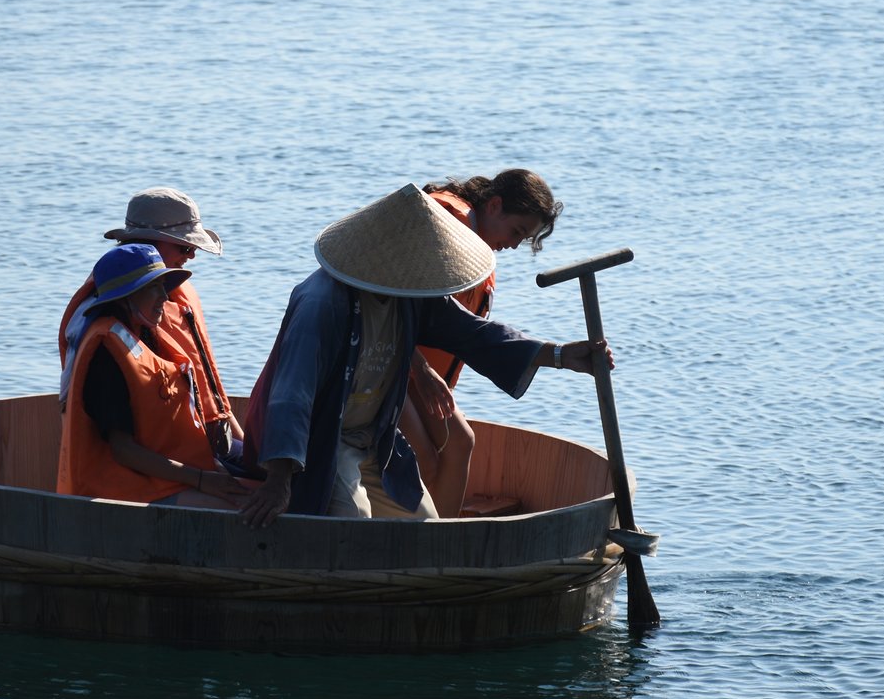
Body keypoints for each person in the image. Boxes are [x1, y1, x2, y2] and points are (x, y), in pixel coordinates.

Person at [238, 183, 610, 528]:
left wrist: (559, 355)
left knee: (424, 528)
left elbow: (474, 333)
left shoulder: (407, 295)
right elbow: (292, 394)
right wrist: (279, 479)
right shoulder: (322, 303)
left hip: (373, 440)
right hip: (321, 441)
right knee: (352, 522)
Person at [403, 169, 563, 517]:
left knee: (459, 443)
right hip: (389, 364)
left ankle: (441, 536)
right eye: (517, 231)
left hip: (419, 376)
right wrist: (421, 369)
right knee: (425, 459)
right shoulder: (445, 220)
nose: (514, 245)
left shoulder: (475, 245)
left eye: (524, 238)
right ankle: (428, 538)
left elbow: (464, 331)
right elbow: (394, 303)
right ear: (493, 205)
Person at [59, 187, 243, 472]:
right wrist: (206, 476)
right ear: (148, 243)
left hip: (209, 443)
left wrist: (244, 444)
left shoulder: (175, 294)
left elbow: (207, 386)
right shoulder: (114, 313)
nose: (192, 255)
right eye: (184, 247)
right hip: (168, 460)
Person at [58, 244, 252, 508]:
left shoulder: (142, 334)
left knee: (261, 493)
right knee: (244, 509)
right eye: (154, 287)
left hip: (159, 477)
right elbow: (123, 450)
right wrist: (200, 479)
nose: (164, 296)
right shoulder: (106, 355)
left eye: (163, 287)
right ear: (125, 296)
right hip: (120, 489)